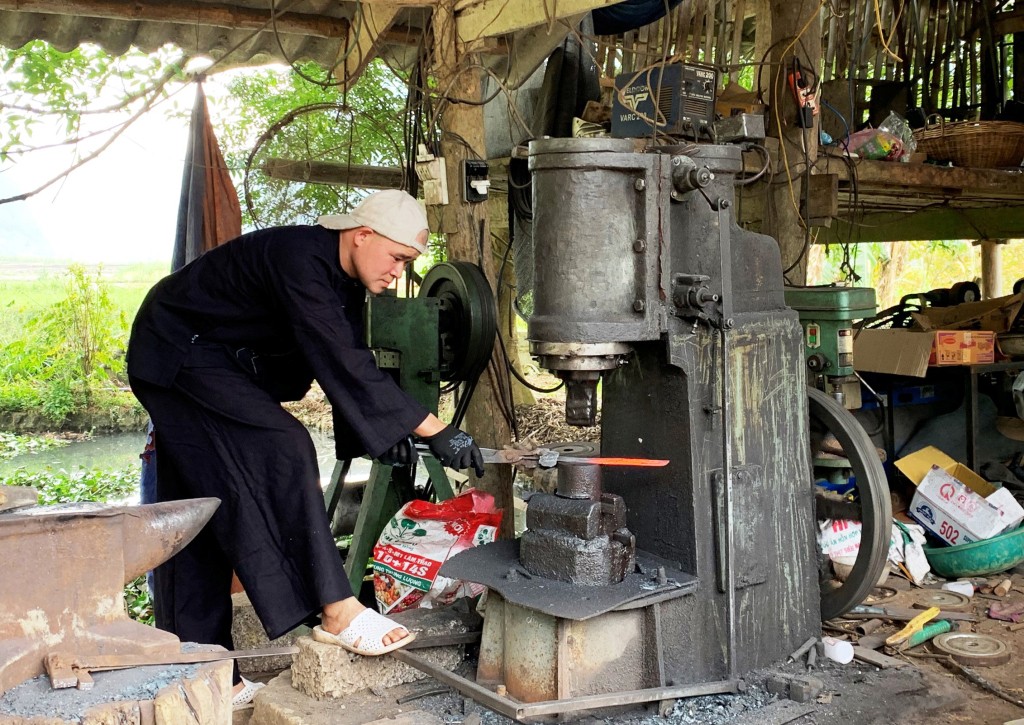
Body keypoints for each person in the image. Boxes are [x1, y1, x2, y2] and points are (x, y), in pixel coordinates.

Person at [126, 189, 485, 706]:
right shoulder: (301, 259)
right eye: (398, 258)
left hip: (203, 358)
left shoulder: (341, 280)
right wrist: (434, 428)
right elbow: (340, 358)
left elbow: (340, 358)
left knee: (198, 514)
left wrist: (391, 434)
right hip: (178, 352)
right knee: (286, 444)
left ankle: (202, 673)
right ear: (362, 235)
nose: (399, 272)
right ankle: (337, 608)